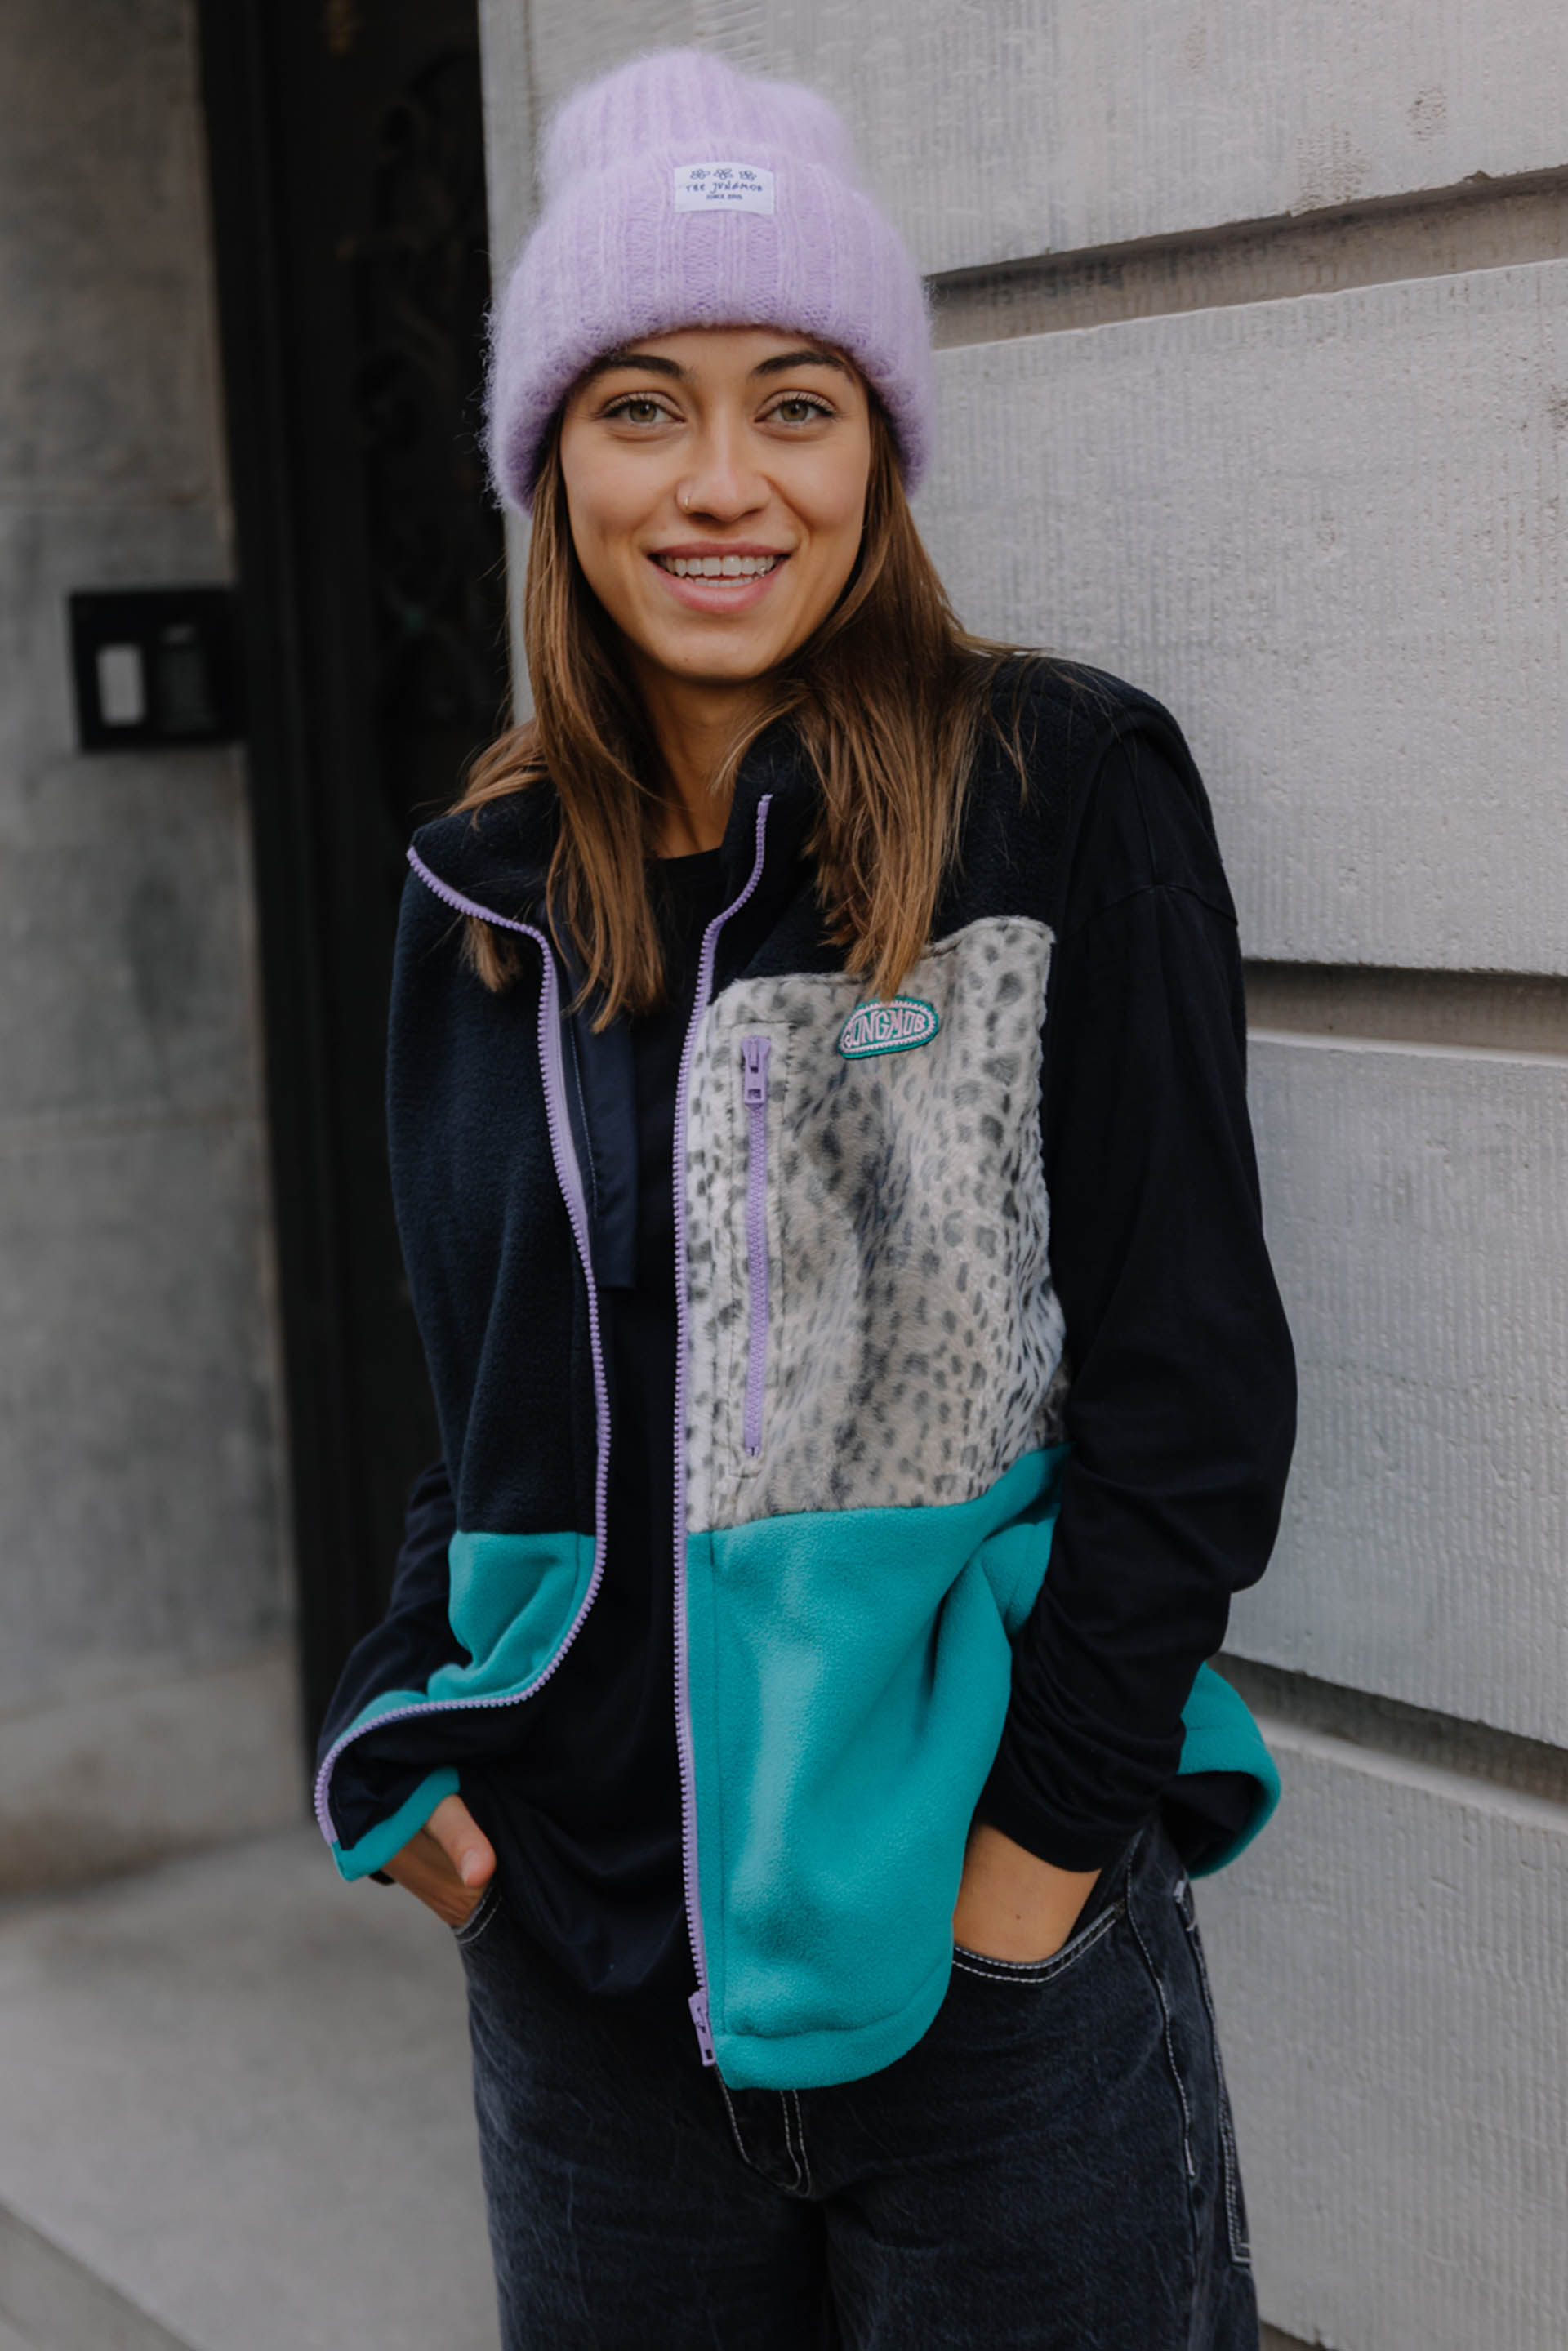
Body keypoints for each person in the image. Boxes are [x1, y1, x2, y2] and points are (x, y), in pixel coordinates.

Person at [314, 47, 1296, 2351]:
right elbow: (492, 1417)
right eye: (641, 406)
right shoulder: (482, 901)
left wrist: (1026, 1878)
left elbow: (1193, 1398)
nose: (722, 483)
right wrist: (401, 1737)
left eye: (798, 403)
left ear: (879, 453)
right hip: (584, 2000)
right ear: (552, 462)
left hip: (988, 1993)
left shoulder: (1058, 792)